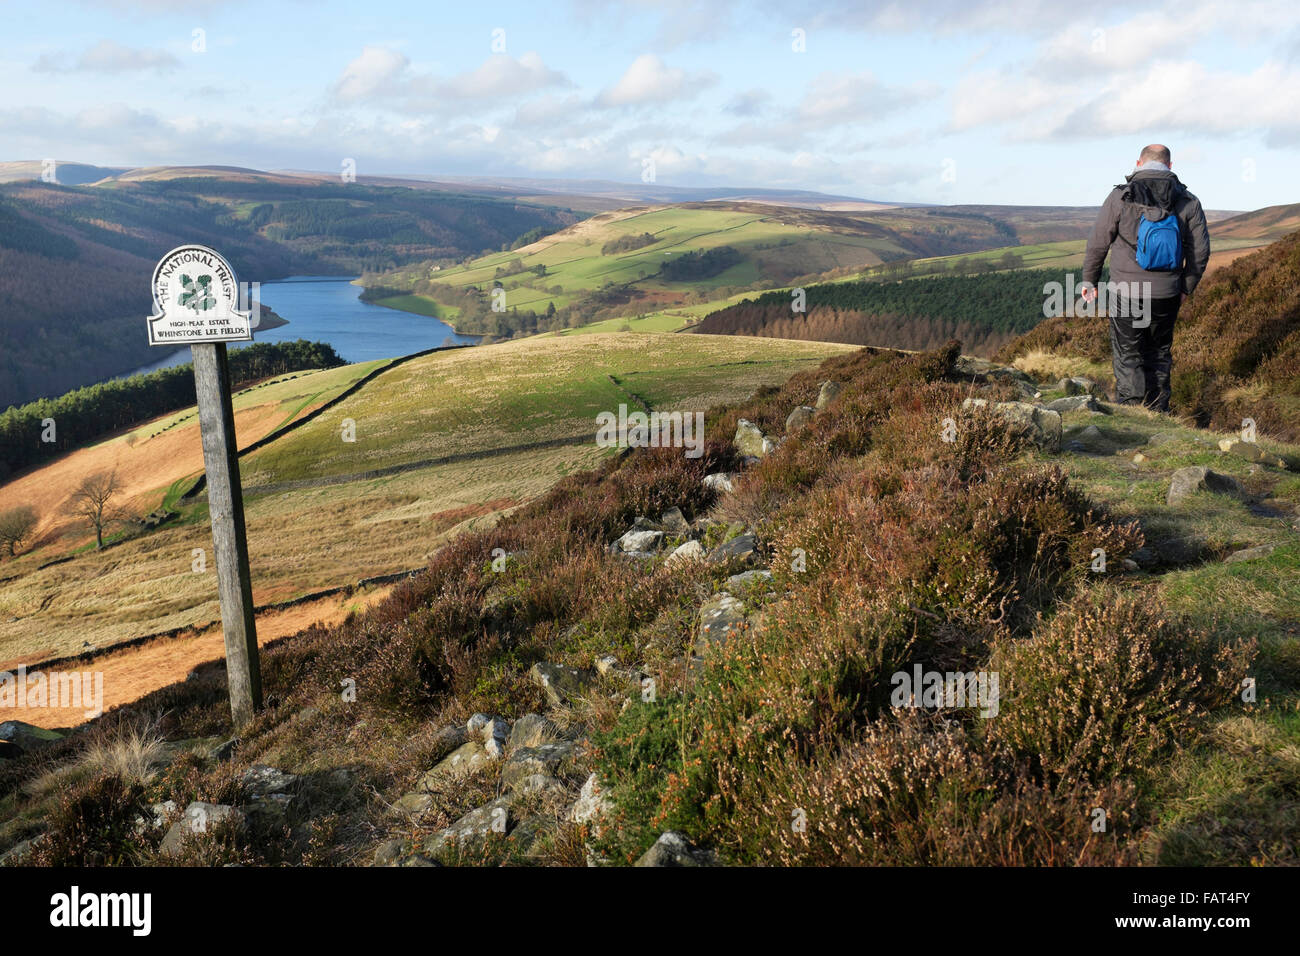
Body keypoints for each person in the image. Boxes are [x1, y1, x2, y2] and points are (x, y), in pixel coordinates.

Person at [1080, 144, 1210, 412]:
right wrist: (1186, 286)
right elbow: (1200, 251)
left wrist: (1089, 282)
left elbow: (1097, 243)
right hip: (1167, 293)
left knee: (1129, 353)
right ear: (1170, 166)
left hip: (1126, 292)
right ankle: (1159, 411)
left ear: (1138, 163)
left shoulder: (1120, 197)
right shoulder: (1188, 200)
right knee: (1159, 353)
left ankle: (1131, 411)